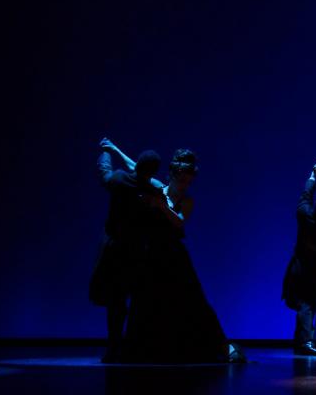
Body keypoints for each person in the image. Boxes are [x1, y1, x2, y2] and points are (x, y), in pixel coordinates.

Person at [101, 140, 242, 363]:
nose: (185, 184)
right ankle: (149, 349)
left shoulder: (185, 201)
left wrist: (162, 206)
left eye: (189, 181)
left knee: (191, 304)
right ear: (174, 175)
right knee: (148, 304)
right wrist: (114, 149)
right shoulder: (157, 187)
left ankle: (210, 347)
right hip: (150, 255)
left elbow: (180, 222)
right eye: (182, 179)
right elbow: (134, 166)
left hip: (175, 258)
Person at [91, 139, 162, 364]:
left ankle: (114, 347)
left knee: (116, 302)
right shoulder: (153, 188)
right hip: (138, 253)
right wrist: (117, 150)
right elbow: (141, 172)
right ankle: (136, 346)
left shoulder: (121, 180)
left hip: (115, 251)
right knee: (138, 301)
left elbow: (105, 173)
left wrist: (106, 153)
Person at [282, 162, 316, 355]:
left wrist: (314, 176)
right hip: (312, 271)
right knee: (307, 304)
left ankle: (301, 341)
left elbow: (306, 194)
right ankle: (304, 342)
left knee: (303, 305)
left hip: (298, 266)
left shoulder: (304, 213)